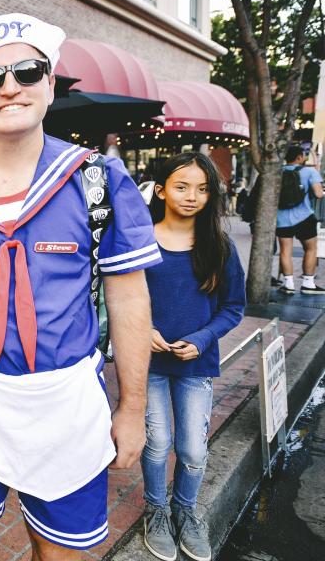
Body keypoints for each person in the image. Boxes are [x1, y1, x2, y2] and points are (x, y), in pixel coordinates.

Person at [0, 13, 159, 560]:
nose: (9, 88)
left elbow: (128, 297)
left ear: (50, 84)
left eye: (27, 71)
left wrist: (133, 409)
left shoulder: (99, 181)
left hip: (67, 401)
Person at [142, 152, 245, 561]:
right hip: (148, 363)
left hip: (195, 365)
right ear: (162, 189)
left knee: (193, 450)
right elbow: (119, 298)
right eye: (182, 186)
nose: (192, 196)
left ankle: (185, 510)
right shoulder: (141, 239)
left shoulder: (219, 246)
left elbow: (233, 307)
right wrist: (141, 330)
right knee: (157, 441)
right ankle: (157, 509)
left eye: (203, 189)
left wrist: (202, 339)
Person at [275, 144, 325, 294]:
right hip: (304, 217)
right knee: (310, 249)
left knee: (285, 250)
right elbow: (318, 194)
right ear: (299, 157)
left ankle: (288, 284)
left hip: (281, 217)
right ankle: (308, 283)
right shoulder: (309, 171)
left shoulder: (278, 172)